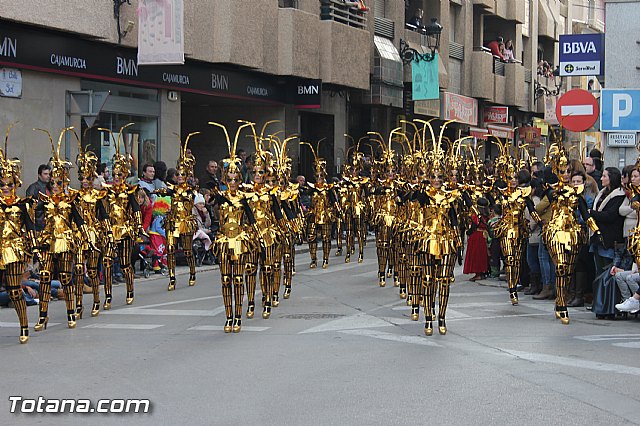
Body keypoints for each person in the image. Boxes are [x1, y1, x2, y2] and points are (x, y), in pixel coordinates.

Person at [33, 127, 92, 331]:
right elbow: (32, 218)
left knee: (66, 278)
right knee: (44, 277)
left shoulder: (71, 200)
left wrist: (88, 241)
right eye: (53, 182)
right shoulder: (44, 200)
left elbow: (80, 221)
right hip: (48, 241)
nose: (55, 185)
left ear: (64, 182)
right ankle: (42, 316)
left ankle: (70, 313)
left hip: (66, 242)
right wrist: (32, 236)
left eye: (59, 182)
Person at [542, 141, 601, 324]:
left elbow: (585, 213)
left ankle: (561, 298)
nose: (566, 175)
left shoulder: (578, 192)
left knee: (568, 271)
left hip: (573, 234)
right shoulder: (552, 192)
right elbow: (542, 207)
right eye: (562, 171)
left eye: (568, 171)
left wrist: (597, 232)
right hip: (556, 232)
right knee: (560, 267)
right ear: (556, 172)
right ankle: (562, 304)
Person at [100, 124, 145, 310]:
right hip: (110, 230)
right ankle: (108, 295)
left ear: (125, 174)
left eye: (120, 174)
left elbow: (135, 210)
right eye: (114, 173)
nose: (116, 177)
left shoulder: (130, 191)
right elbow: (102, 210)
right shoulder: (106, 191)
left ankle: (130, 289)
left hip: (125, 231)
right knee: (108, 262)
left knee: (126, 264)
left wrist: (139, 227)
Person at [0, 124, 37, 343]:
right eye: (1, 184)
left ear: (16, 183)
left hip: (13, 249)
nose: (5, 187)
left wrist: (33, 249)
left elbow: (31, 227)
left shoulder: (23, 204)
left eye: (9, 184)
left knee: (14, 290)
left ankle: (24, 324)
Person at [157, 133, 200, 291]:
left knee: (187, 251)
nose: (180, 177)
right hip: (173, 221)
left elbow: (191, 193)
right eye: (178, 174)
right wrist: (160, 191)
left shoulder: (191, 190)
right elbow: (166, 191)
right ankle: (172, 277)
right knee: (170, 249)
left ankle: (192, 272)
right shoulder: (172, 189)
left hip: (186, 222)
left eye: (183, 174)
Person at [590, 167, 625, 273]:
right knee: (598, 268)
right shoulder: (601, 193)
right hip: (597, 237)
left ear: (612, 178)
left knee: (606, 269)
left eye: (604, 176)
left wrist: (591, 213)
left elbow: (610, 215)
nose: (601, 178)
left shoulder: (618, 195)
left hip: (609, 238)